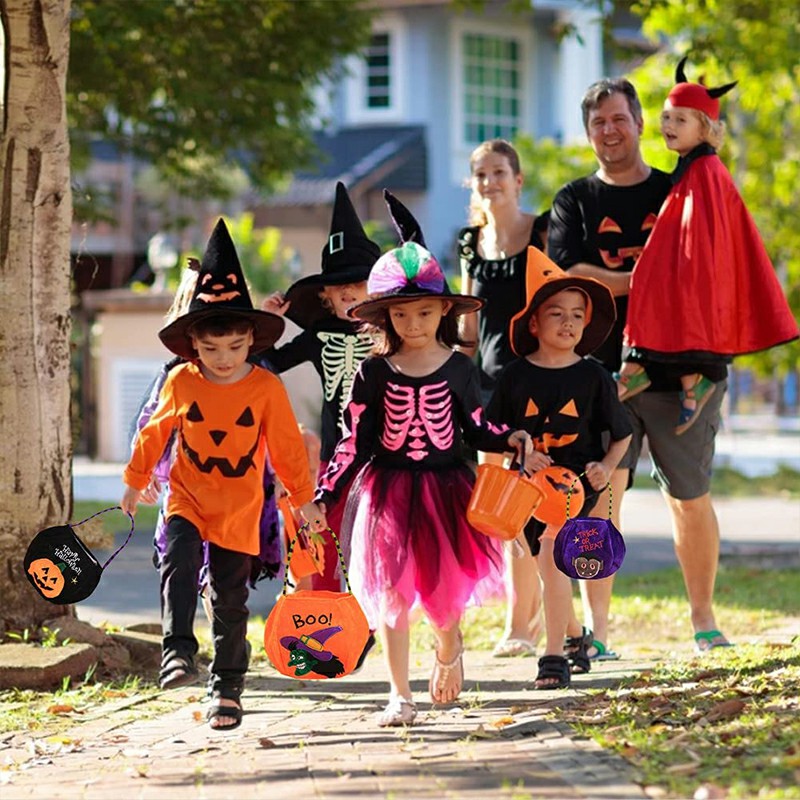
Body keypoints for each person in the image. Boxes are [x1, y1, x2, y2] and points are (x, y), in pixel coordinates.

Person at [315, 233, 535, 727]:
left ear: (443, 312)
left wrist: (511, 437)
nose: (412, 324)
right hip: (388, 494)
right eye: (400, 314)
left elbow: (477, 423)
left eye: (424, 313)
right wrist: (323, 493)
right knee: (391, 590)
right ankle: (399, 694)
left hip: (447, 489)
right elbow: (353, 440)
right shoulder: (373, 372)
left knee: (441, 592)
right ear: (384, 317)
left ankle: (448, 643)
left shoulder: (459, 367)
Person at [547, 75, 729, 655]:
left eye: (619, 118)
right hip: (602, 372)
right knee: (600, 497)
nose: (609, 130)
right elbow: (569, 274)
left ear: (642, 123)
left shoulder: (681, 187)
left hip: (682, 369)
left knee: (690, 496)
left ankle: (703, 620)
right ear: (588, 132)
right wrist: (645, 281)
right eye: (598, 122)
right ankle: (598, 633)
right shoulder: (574, 200)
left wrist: (621, 285)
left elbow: (706, 262)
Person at [121, 219, 326, 731]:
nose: (224, 360)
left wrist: (303, 499)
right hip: (188, 495)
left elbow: (285, 449)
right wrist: (134, 478)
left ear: (250, 341)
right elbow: (155, 431)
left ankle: (227, 687)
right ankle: (177, 651)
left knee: (231, 599)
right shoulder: (183, 382)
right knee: (179, 559)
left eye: (235, 348)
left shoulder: (263, 388)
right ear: (193, 345)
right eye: (211, 351)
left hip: (239, 507)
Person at [621, 58, 799, 434]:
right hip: (687, 269)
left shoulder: (706, 172)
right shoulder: (694, 167)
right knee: (652, 282)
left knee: (662, 286)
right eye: (667, 117)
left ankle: (672, 378)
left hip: (697, 272)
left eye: (680, 120)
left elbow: (701, 239)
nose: (668, 125)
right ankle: (643, 370)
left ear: (705, 129)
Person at [488, 246, 631, 688]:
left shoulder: (593, 378)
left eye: (576, 315)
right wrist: (517, 452)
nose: (567, 322)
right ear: (534, 323)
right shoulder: (514, 377)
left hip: (575, 487)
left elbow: (621, 433)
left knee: (554, 558)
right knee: (545, 567)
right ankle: (575, 637)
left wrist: (606, 467)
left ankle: (552, 659)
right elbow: (493, 430)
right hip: (526, 488)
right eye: (556, 314)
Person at [134, 260, 283, 626]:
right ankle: (199, 642)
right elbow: (150, 423)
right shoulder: (176, 375)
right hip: (187, 484)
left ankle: (224, 642)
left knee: (227, 570)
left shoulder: (258, 372)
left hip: (242, 486)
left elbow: (278, 431)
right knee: (188, 562)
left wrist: (282, 476)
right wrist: (146, 470)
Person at [260, 181, 379, 591]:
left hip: (385, 455)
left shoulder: (391, 332)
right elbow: (267, 363)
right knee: (326, 533)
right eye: (339, 286)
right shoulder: (318, 335)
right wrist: (269, 324)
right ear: (325, 296)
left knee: (374, 541)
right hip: (335, 454)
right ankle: (331, 613)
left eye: (358, 282)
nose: (348, 290)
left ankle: (372, 618)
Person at [458, 139, 549, 658]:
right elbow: (469, 327)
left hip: (536, 386)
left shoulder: (541, 232)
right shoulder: (470, 243)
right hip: (487, 388)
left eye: (499, 172)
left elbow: (558, 303)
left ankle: (540, 623)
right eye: (482, 175)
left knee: (541, 502)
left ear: (518, 179)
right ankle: (521, 623)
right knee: (500, 509)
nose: (491, 182)